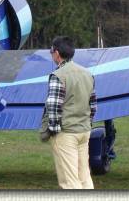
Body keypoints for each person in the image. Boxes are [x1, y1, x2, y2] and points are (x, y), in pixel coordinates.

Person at [40, 36, 97, 189]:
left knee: (69, 182)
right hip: (84, 131)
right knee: (84, 177)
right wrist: (87, 124)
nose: (52, 55)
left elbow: (53, 106)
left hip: (66, 133)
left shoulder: (58, 75)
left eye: (51, 51)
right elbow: (93, 105)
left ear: (57, 53)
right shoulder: (87, 73)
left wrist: (53, 130)